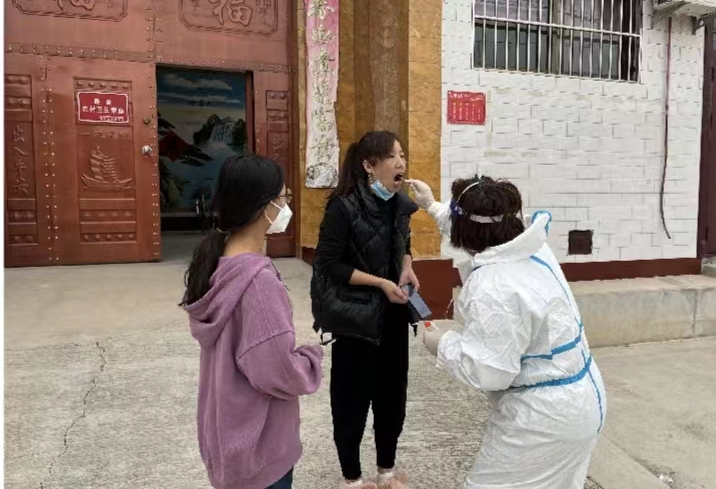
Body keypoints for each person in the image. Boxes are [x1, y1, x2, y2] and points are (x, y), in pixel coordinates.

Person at [407, 176, 607, 489]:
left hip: (543, 419)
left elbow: (490, 372)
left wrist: (443, 344)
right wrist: (432, 206)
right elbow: (477, 231)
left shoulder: (494, 286)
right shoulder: (531, 248)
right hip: (583, 399)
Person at [182, 155, 323, 489]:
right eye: (284, 198)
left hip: (226, 434)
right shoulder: (257, 282)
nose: (287, 207)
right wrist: (310, 359)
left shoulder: (220, 260)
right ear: (264, 206)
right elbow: (275, 370)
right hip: (259, 447)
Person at [311, 131, 420, 489]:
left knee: (392, 397)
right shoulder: (342, 206)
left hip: (394, 315)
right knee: (351, 402)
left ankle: (386, 472)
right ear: (369, 165)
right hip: (355, 317)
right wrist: (379, 283)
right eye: (392, 157)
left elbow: (405, 242)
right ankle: (353, 479)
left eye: (402, 155)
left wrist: (406, 266)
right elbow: (330, 264)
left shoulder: (400, 203)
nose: (401, 163)